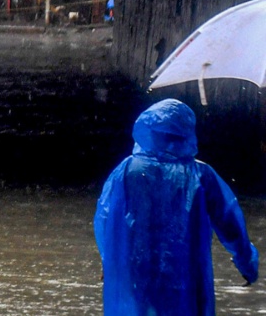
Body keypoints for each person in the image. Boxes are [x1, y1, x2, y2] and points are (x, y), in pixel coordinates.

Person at [95, 99, 258, 316]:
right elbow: (230, 224)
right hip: (186, 271)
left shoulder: (126, 171)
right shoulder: (201, 175)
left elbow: (105, 219)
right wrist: (247, 265)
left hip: (138, 269)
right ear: (186, 132)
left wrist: (109, 259)